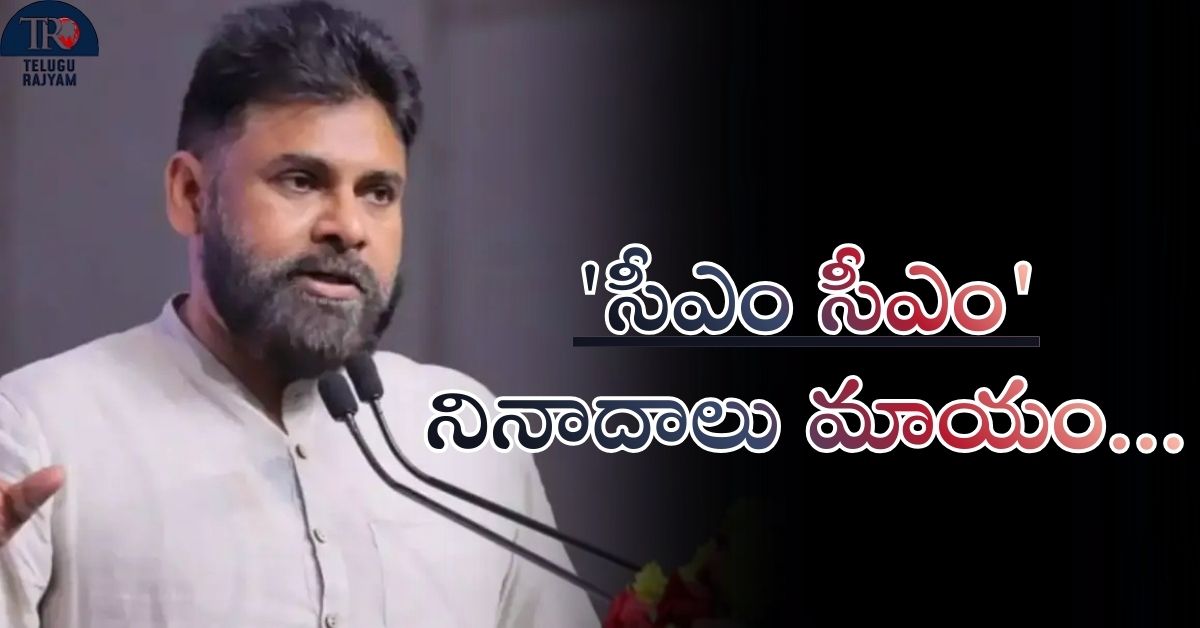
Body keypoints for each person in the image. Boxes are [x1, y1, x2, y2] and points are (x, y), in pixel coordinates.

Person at [0, 1, 599, 626]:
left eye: (378, 192)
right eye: (301, 181)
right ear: (191, 195)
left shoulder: (464, 433)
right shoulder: (40, 431)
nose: (348, 227)